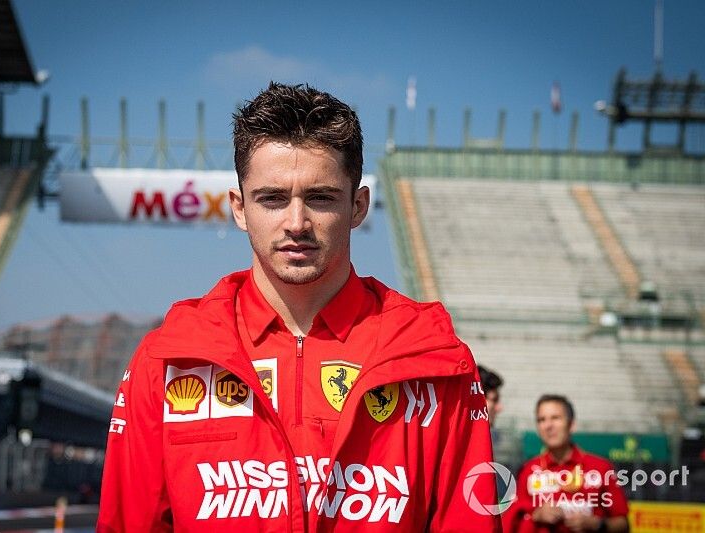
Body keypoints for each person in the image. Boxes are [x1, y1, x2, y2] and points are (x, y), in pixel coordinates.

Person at [97, 82, 498, 532]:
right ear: (239, 208)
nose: (296, 223)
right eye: (272, 198)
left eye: (320, 198)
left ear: (358, 206)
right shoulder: (167, 360)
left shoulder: (434, 359)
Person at [503, 395, 629, 533]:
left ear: (571, 425)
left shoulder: (600, 467)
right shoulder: (528, 470)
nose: (548, 426)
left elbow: (623, 524)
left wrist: (597, 524)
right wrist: (536, 515)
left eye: (555, 418)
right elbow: (512, 519)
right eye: (542, 420)